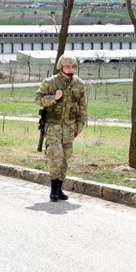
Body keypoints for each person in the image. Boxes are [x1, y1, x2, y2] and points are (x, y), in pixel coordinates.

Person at [35, 55, 87, 202]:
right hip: (53, 127)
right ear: (61, 67)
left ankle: (60, 188)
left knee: (65, 159)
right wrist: (53, 98)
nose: (71, 69)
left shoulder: (79, 84)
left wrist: (80, 125)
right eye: (68, 66)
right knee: (55, 156)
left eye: (73, 67)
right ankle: (53, 189)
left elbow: (83, 107)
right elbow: (38, 99)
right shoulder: (50, 82)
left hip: (70, 128)